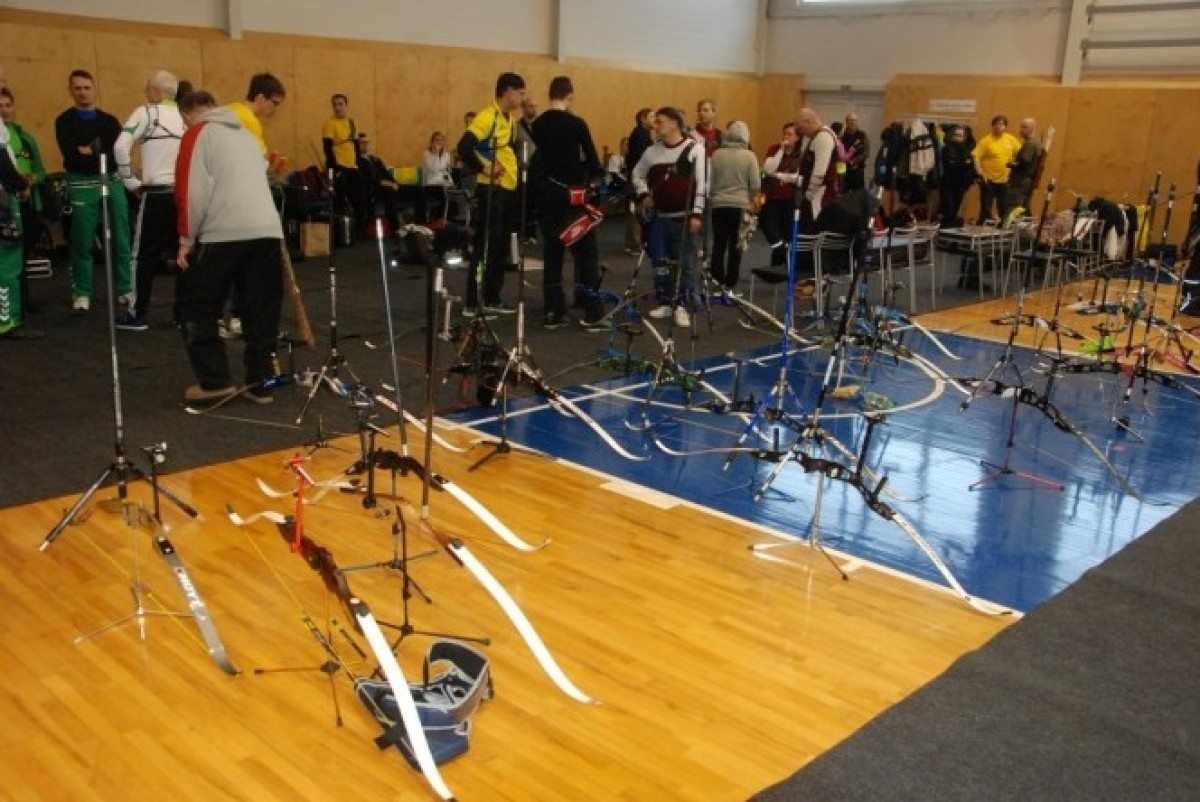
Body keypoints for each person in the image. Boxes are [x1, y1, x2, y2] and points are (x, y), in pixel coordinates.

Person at [174, 90, 284, 405]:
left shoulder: (198, 134)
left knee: (197, 306)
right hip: (267, 230)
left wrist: (186, 239)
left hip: (223, 231)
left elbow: (191, 190)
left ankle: (214, 381)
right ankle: (260, 382)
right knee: (260, 309)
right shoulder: (246, 135)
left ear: (188, 113)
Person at [55, 69, 134, 315]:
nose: (83, 93)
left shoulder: (109, 121)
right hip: (81, 185)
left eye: (87, 88)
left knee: (122, 236)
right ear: (71, 91)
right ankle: (82, 292)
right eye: (77, 88)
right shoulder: (64, 121)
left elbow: (117, 155)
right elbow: (72, 157)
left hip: (112, 182)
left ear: (94, 89)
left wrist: (90, 150)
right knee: (82, 239)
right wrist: (99, 152)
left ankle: (126, 288)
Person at [112, 69, 185, 331]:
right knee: (184, 254)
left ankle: (137, 314)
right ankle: (182, 315)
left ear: (155, 90)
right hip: (183, 197)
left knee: (143, 256)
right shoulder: (186, 117)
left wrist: (129, 181)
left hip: (155, 196)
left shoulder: (145, 112)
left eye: (147, 88)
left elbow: (120, 147)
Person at [529, 75, 604, 330]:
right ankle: (592, 309)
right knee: (586, 254)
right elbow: (593, 162)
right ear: (570, 96)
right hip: (574, 197)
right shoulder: (577, 124)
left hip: (548, 197)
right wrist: (591, 182)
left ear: (550, 94)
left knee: (552, 253)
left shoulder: (537, 125)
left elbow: (535, 164)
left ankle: (554, 309)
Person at [630, 106, 708, 328]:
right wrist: (643, 194)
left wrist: (697, 213)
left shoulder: (695, 150)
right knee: (660, 262)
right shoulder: (651, 152)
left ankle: (682, 305)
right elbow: (636, 174)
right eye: (655, 122)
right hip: (660, 218)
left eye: (660, 122)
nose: (655, 126)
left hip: (685, 217)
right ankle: (665, 301)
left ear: (674, 123)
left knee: (685, 263)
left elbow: (703, 184)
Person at [456, 72, 525, 315]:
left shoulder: (510, 121)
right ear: (508, 91)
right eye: (520, 93)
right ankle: (472, 302)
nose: (522, 98)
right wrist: (484, 167)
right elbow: (464, 146)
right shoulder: (487, 117)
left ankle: (492, 298)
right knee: (484, 246)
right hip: (491, 191)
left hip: (508, 190)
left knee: (500, 247)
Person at [0, 86, 49, 313]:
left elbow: (41, 170)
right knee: (9, 256)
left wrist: (30, 180)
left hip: (25, 203)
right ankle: (9, 311)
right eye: (0, 106)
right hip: (6, 200)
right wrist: (18, 182)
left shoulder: (25, 137)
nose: (4, 110)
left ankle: (20, 303)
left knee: (17, 254)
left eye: (8, 105)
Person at [708, 121, 760, 296]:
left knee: (718, 244)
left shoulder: (716, 154)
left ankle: (717, 282)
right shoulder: (750, 156)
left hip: (719, 205)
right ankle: (730, 285)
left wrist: (714, 198)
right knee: (736, 246)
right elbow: (755, 184)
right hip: (740, 207)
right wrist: (750, 198)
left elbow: (710, 181)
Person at [322, 93, 367, 237]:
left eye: (340, 104)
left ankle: (359, 231)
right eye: (334, 105)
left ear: (346, 105)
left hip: (353, 167)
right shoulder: (329, 123)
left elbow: (356, 146)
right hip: (340, 167)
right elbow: (327, 148)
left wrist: (358, 164)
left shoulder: (351, 122)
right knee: (339, 202)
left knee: (359, 200)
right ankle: (340, 234)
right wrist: (335, 169)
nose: (337, 107)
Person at [760, 121, 802, 266]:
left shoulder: (801, 154)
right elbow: (768, 170)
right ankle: (780, 255)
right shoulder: (774, 149)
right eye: (784, 134)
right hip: (773, 198)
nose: (786, 137)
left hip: (791, 199)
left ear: (797, 137)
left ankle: (781, 265)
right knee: (771, 230)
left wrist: (779, 175)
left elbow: (798, 178)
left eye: (790, 134)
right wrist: (781, 151)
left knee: (786, 233)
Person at [795, 107, 841, 227]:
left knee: (813, 228)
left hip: (819, 196)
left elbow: (820, 171)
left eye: (801, 128)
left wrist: (809, 193)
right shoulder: (817, 136)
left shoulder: (823, 137)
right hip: (816, 194)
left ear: (808, 122)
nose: (801, 132)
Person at [971, 114, 1021, 224]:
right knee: (986, 206)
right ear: (993, 125)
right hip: (988, 179)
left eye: (1002, 124)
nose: (999, 126)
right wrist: (980, 173)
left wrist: (1015, 164)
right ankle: (982, 226)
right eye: (997, 124)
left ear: (1005, 126)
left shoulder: (1010, 139)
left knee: (1003, 205)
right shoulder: (986, 140)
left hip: (1004, 179)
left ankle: (1003, 227)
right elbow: (976, 157)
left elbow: (1020, 153)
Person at [623, 107, 654, 255]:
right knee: (637, 210)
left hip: (637, 177)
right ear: (643, 119)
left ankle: (633, 242)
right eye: (652, 117)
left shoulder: (640, 134)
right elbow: (640, 159)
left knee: (636, 210)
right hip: (640, 178)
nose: (655, 120)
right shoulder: (641, 135)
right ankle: (635, 244)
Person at [357, 132, 401, 233]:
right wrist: (388, 184)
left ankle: (422, 225)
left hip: (388, 185)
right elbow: (370, 179)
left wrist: (395, 183)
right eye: (362, 143)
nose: (365, 145)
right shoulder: (357, 161)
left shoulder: (375, 159)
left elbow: (386, 173)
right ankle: (395, 228)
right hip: (373, 189)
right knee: (389, 192)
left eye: (367, 142)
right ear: (356, 145)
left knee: (417, 190)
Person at [938, 124, 974, 227]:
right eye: (956, 135)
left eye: (960, 135)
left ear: (964, 137)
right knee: (948, 209)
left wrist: (959, 163)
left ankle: (952, 229)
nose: (958, 137)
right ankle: (945, 229)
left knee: (955, 209)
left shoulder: (966, 150)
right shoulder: (946, 149)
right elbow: (949, 165)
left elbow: (970, 164)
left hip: (961, 184)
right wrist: (963, 163)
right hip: (948, 184)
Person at [1005, 117, 1042, 214]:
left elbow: (1024, 164)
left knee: (1014, 210)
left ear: (1032, 129)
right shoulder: (1036, 143)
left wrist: (1010, 164)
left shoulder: (1030, 144)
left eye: (1024, 127)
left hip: (1020, 182)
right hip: (1027, 182)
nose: (1021, 130)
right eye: (1021, 127)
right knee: (1024, 210)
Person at [421, 130, 454, 222]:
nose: (439, 142)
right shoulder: (426, 154)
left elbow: (447, 170)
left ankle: (445, 218)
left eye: (441, 140)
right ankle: (438, 219)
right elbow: (434, 169)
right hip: (431, 184)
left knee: (450, 193)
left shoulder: (446, 155)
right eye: (437, 140)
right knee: (443, 194)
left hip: (444, 183)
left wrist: (448, 171)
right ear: (432, 142)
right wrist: (436, 154)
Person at [841, 113, 870, 192]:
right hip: (844, 170)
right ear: (846, 122)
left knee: (858, 194)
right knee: (843, 193)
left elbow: (866, 152)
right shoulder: (841, 136)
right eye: (850, 120)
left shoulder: (863, 135)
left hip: (858, 169)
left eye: (855, 120)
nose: (853, 122)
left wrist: (854, 161)